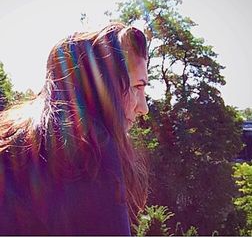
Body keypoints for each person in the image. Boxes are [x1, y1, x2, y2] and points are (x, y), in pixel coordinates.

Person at [0, 22, 149, 235]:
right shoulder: (94, 150)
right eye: (137, 87)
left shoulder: (14, 140)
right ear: (102, 84)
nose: (143, 107)